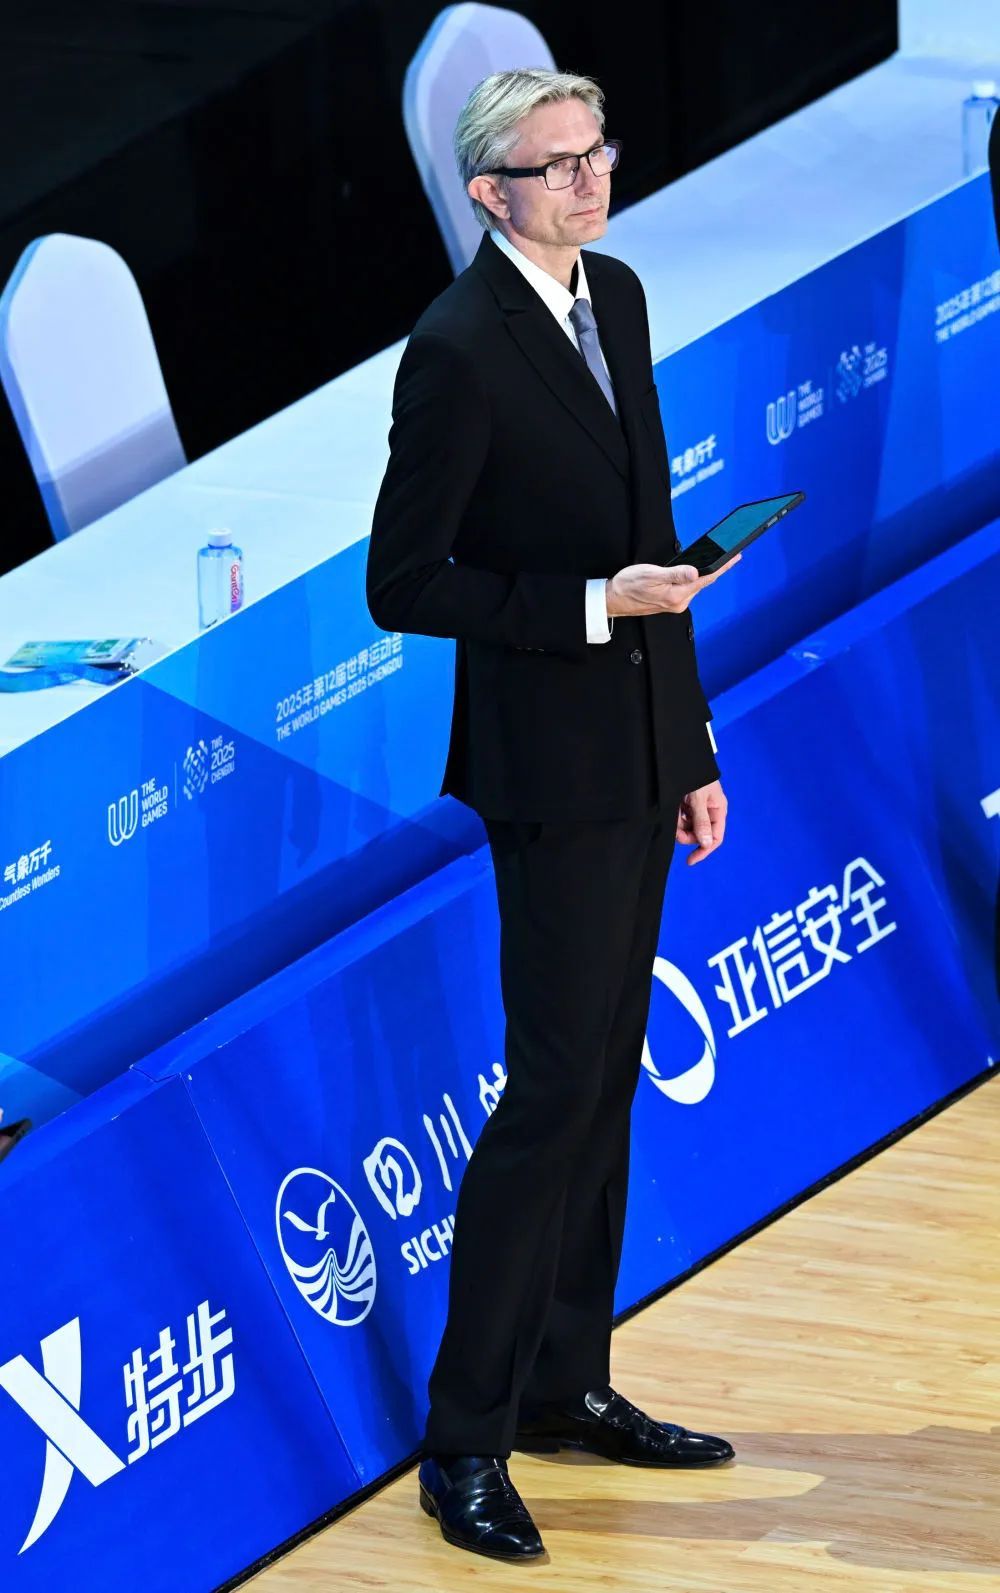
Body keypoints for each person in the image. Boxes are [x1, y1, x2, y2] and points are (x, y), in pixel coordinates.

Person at [366, 68, 740, 1563]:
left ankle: (565, 1381)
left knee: (604, 1092)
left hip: (643, 753)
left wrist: (690, 741)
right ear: (490, 193)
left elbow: (655, 544)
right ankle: (463, 1439)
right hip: (548, 773)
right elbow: (405, 583)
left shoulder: (618, 295)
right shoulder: (457, 349)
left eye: (599, 154)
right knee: (549, 1095)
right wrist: (590, 607)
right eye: (560, 164)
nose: (592, 181)